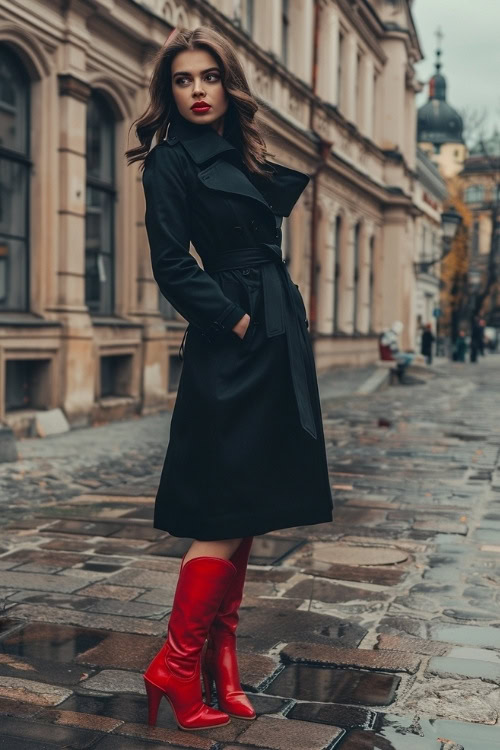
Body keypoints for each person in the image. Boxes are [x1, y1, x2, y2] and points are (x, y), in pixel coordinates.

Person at [126, 26, 333, 732]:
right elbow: (172, 264)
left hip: (275, 332)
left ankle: (222, 664)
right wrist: (235, 322)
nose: (197, 91)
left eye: (208, 76)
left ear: (227, 82)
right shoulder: (169, 163)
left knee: (247, 507)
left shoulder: (244, 153)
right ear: (169, 93)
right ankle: (177, 667)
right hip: (235, 337)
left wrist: (269, 324)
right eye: (182, 81)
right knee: (222, 507)